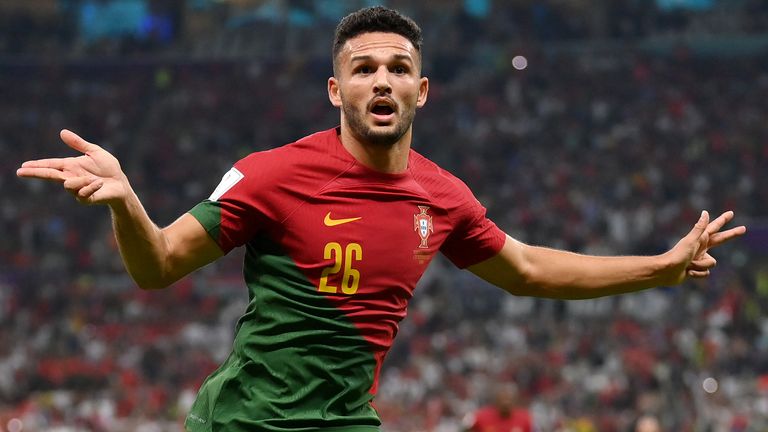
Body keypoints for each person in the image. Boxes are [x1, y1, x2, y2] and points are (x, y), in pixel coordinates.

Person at [16, 6, 746, 432]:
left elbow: (526, 269)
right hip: (243, 425)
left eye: (397, 67)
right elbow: (159, 266)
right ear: (336, 89)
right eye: (363, 68)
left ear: (422, 90)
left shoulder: (444, 196)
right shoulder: (272, 173)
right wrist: (127, 204)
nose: (382, 80)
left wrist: (663, 266)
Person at [465, 384, 532, 432]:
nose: (505, 403)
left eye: (508, 400)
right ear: (496, 401)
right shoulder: (480, 416)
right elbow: (466, 426)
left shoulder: (525, 418)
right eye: (502, 399)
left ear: (514, 401)